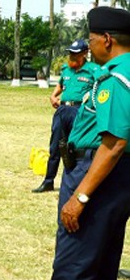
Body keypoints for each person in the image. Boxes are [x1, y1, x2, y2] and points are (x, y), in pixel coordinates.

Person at [45, 6, 130, 280]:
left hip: (97, 174)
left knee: (74, 265)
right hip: (114, 176)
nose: (89, 46)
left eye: (92, 40)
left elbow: (114, 143)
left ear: (107, 40)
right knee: (102, 263)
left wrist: (79, 197)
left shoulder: (116, 77)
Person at [32, 39, 98, 193]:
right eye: (70, 53)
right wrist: (53, 96)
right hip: (62, 110)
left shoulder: (93, 70)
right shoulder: (66, 69)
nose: (72, 56)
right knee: (56, 146)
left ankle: (76, 183)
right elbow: (60, 85)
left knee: (75, 148)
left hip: (79, 111)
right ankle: (48, 181)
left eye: (75, 53)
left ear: (84, 53)